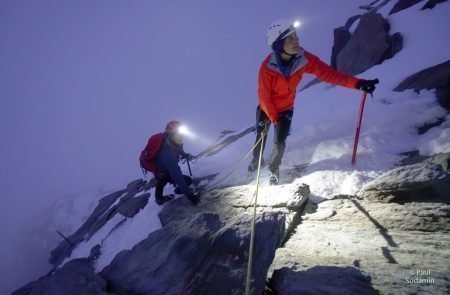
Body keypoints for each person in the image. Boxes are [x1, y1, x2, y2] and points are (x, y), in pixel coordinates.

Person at [248, 19, 379, 185]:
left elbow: (329, 74)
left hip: (286, 108)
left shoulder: (304, 59)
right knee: (261, 135)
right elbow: (264, 96)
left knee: (279, 142)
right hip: (267, 108)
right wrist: (273, 118)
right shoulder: (267, 67)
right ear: (278, 44)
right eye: (290, 38)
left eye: (296, 36)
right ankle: (255, 161)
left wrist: (358, 83)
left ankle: (274, 170)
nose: (296, 41)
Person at [154, 120, 200, 205]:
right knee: (163, 179)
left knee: (187, 180)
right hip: (161, 170)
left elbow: (179, 150)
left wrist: (184, 155)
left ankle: (178, 190)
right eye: (178, 134)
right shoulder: (166, 152)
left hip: (166, 169)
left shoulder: (174, 143)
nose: (181, 137)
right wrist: (190, 196)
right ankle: (159, 199)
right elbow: (177, 176)